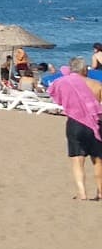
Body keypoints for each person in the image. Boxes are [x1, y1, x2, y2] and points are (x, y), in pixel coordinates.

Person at [47, 58, 102, 200]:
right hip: (95, 124)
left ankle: (82, 193)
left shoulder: (63, 82)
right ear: (85, 69)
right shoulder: (97, 85)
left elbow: (56, 97)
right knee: (98, 160)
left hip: (75, 123)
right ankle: (100, 192)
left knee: (78, 160)